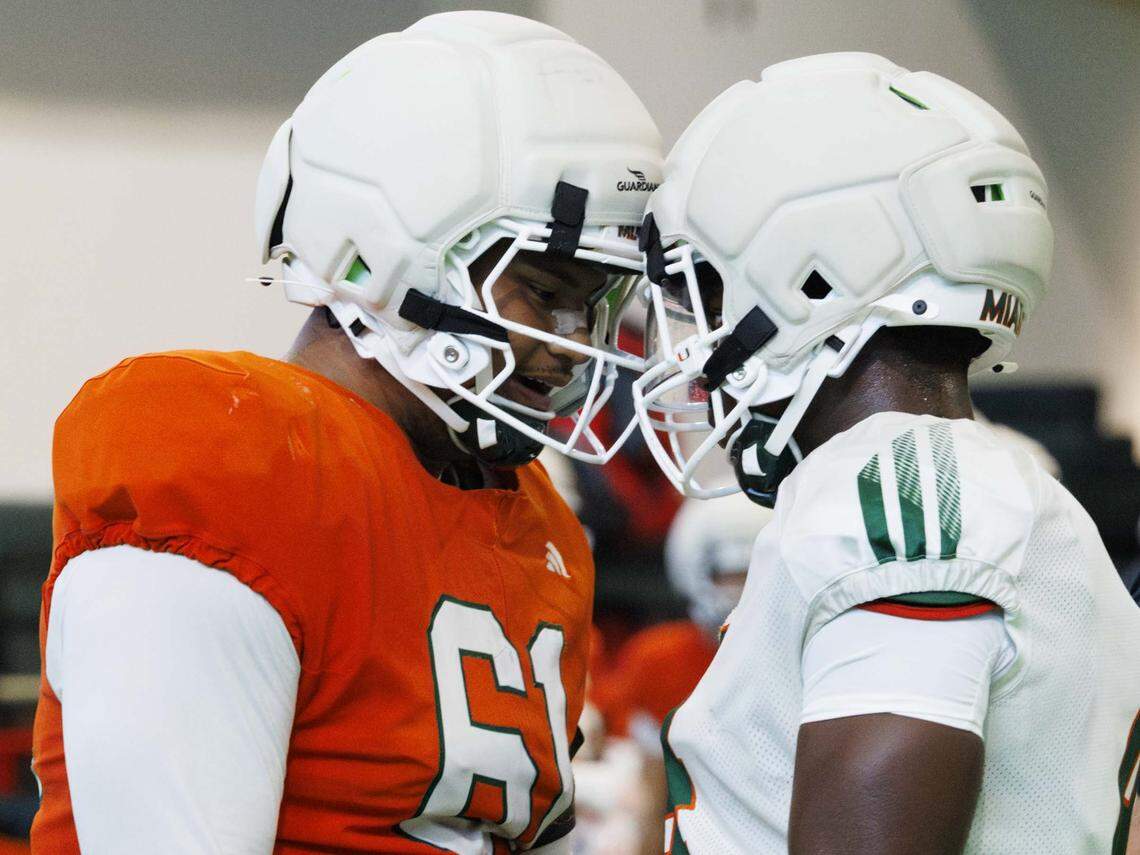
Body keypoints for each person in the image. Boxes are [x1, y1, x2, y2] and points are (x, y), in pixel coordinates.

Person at [31, 12, 662, 853]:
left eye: (598, 302)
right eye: (547, 293)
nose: (577, 343)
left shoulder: (535, 520)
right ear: (384, 259)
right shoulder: (241, 460)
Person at [632, 52, 1140, 853]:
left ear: (809, 279)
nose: (696, 343)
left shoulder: (905, 490)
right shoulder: (951, 481)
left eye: (709, 292)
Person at [590, 492, 771, 855]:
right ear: (694, 566)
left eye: (750, 574)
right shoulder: (660, 657)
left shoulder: (795, 657)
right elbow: (648, 779)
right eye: (727, 574)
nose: (737, 591)